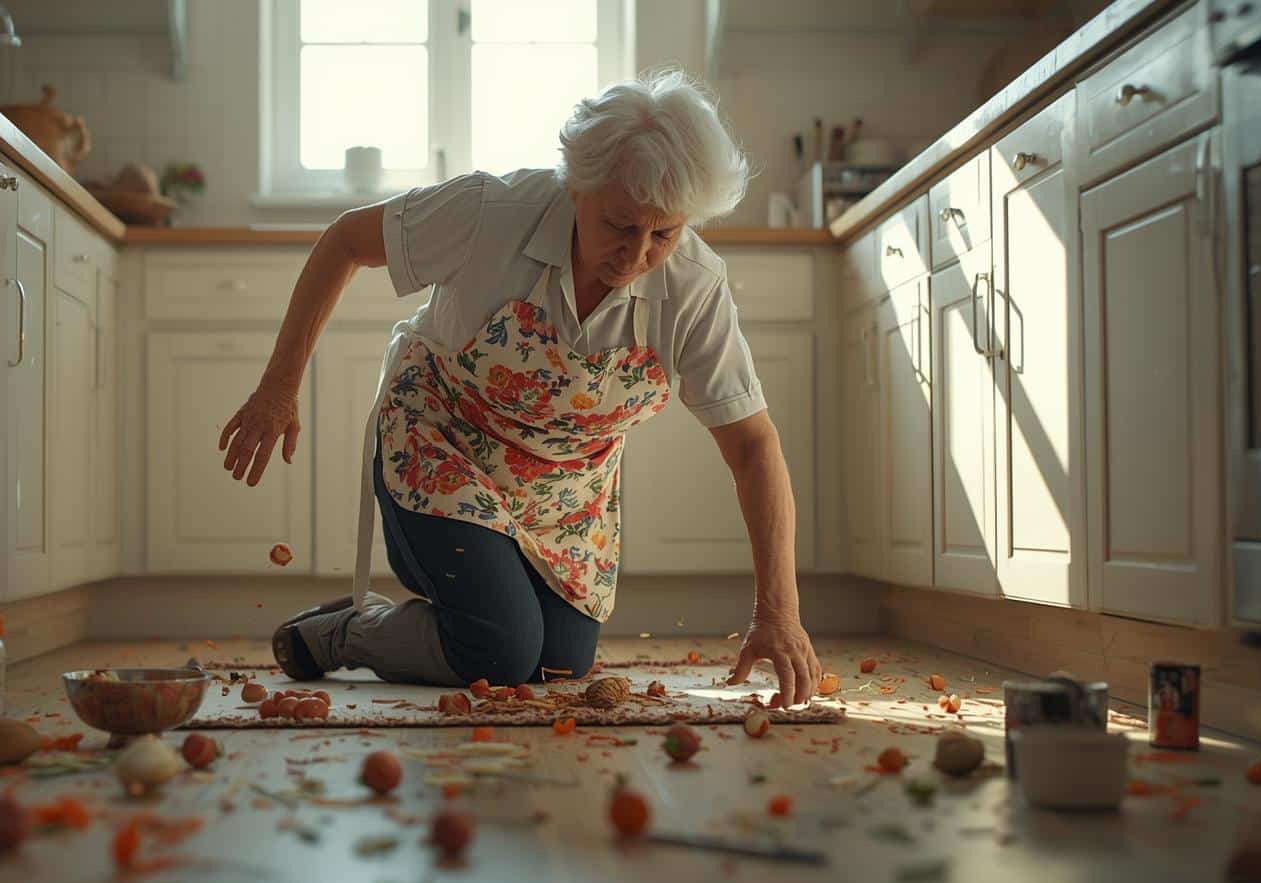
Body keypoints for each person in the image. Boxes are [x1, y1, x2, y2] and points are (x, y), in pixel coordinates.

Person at [219, 69, 823, 708]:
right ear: (577, 186)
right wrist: (278, 386)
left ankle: (413, 623)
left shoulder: (695, 286)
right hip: (440, 447)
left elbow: (753, 446)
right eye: (619, 225)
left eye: (663, 234)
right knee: (500, 652)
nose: (636, 256)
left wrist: (778, 612)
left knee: (559, 663)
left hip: (564, 495)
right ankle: (351, 633)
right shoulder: (489, 212)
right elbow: (346, 240)